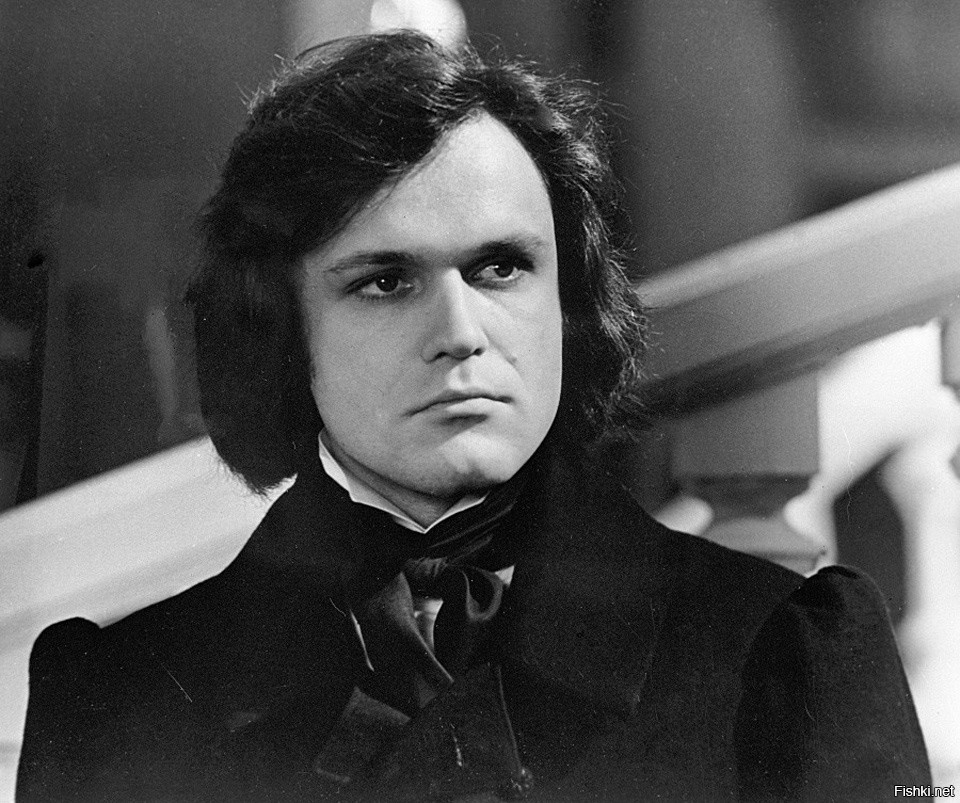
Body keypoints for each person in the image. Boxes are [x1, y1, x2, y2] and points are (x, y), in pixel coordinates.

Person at [17, 31, 930, 801]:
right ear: (283, 331)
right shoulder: (123, 697)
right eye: (386, 281)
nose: (460, 332)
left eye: (501, 267)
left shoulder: (783, 652)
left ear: (565, 302)